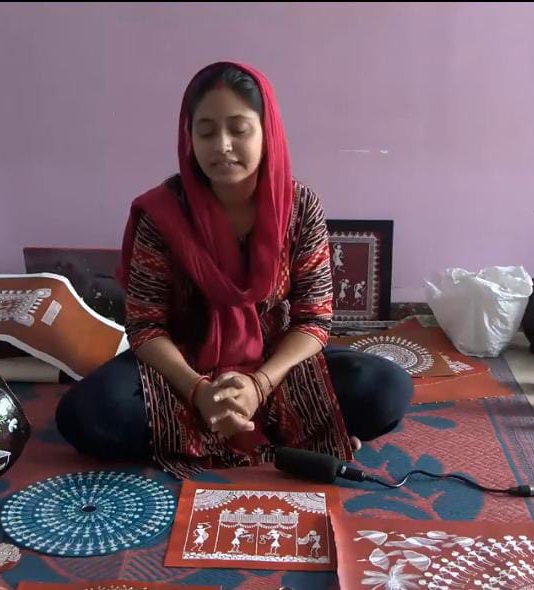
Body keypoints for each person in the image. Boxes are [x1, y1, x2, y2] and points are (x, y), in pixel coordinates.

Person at [56, 62, 411, 478]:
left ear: (266, 132)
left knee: (386, 389)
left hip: (276, 372)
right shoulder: (163, 214)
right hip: (182, 374)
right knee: (87, 413)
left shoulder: (299, 207)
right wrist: (200, 391)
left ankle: (206, 433)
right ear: (189, 138)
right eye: (206, 132)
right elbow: (145, 326)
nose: (222, 146)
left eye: (239, 129)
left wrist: (259, 385)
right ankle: (285, 431)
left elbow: (313, 320)